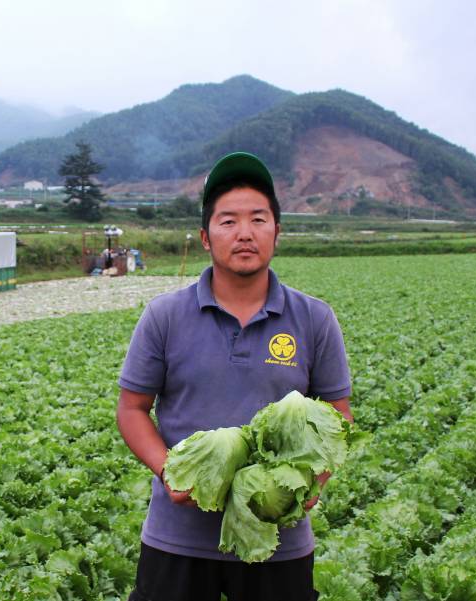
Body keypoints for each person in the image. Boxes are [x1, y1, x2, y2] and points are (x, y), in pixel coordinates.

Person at [116, 152, 353, 601]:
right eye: (228, 221)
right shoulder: (164, 316)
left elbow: (339, 418)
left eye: (258, 219)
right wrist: (169, 472)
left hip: (276, 538)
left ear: (277, 233)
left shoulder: (315, 319)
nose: (244, 233)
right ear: (206, 238)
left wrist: (309, 486)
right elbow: (131, 409)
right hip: (178, 537)